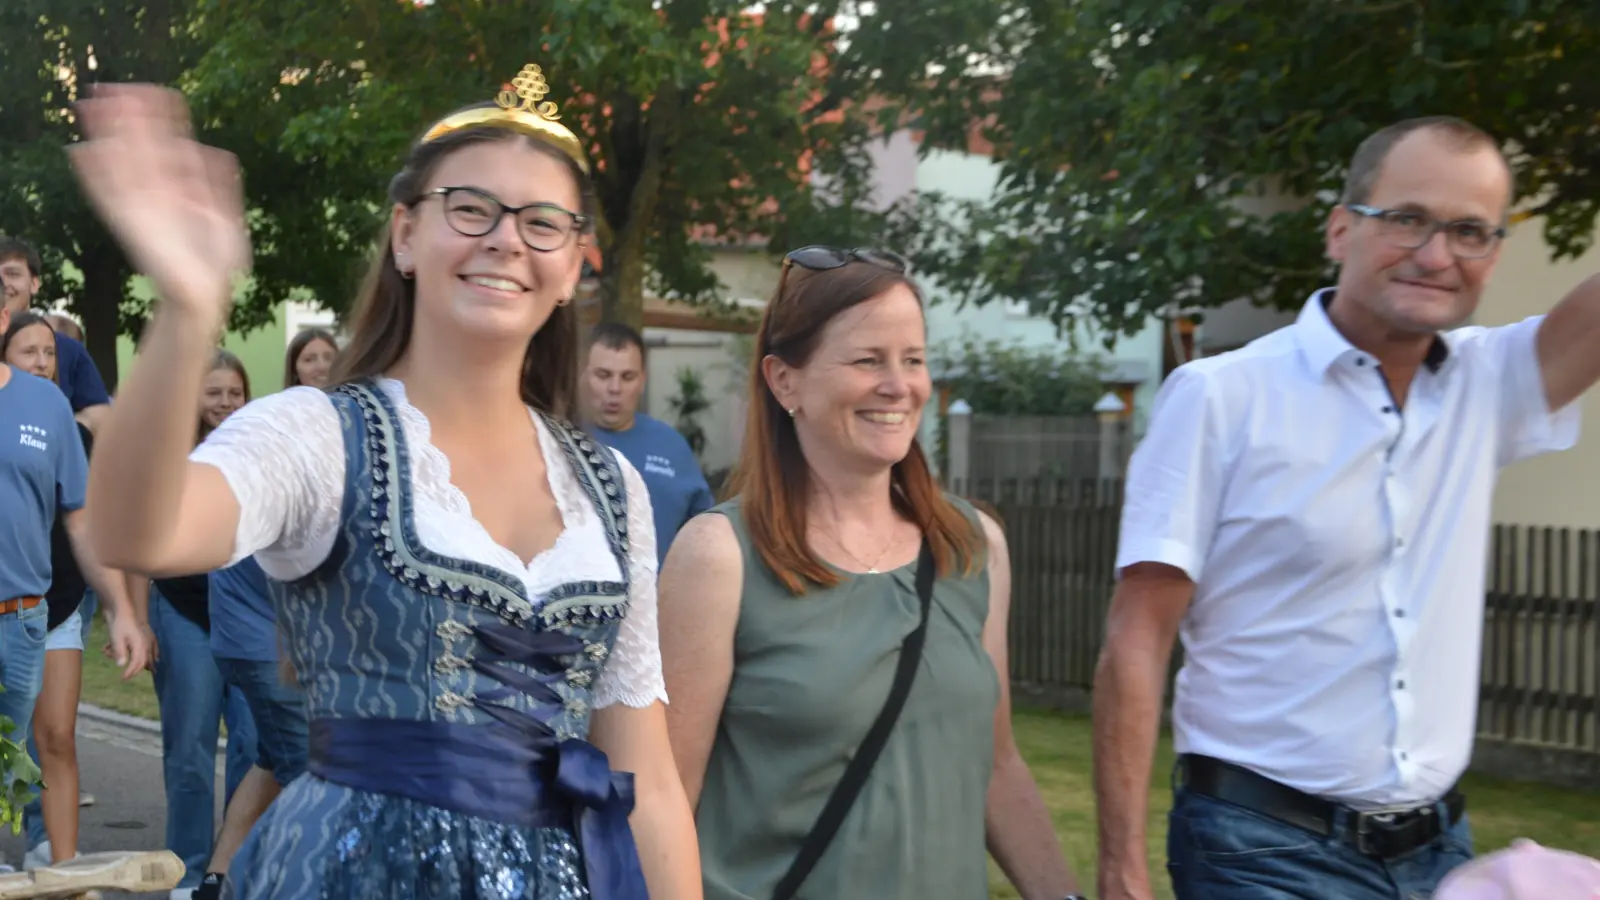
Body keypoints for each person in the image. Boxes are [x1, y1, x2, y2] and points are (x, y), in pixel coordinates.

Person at [71, 66, 701, 899]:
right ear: (406, 233)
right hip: (350, 874)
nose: (507, 239)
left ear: (574, 265)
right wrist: (188, 308)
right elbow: (137, 531)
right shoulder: (320, 434)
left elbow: (647, 786)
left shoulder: (613, 488)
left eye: (543, 222)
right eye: (471, 208)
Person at [1092, 116, 1600, 900]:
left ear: (1494, 254)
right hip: (1263, 851)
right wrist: (1122, 871)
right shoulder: (1222, 397)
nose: (1436, 255)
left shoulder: (1486, 385)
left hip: (1438, 849)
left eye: (1469, 231)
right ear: (1339, 230)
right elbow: (1139, 632)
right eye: (1407, 219)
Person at [659, 245, 1084, 900]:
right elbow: (663, 805)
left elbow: (996, 767)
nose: (900, 386)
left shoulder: (972, 548)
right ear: (784, 381)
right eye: (867, 360)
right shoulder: (719, 557)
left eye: (913, 360)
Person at [0, 307, 150, 874]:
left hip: (25, 616)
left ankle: (60, 871)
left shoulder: (48, 407)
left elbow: (81, 520)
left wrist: (120, 609)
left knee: (32, 749)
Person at [147, 349, 258, 900]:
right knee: (189, 750)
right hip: (184, 615)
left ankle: (232, 871)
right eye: (213, 392)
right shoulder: (170, 454)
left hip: (252, 621)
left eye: (234, 393)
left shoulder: (264, 451)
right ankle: (186, 873)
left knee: (256, 748)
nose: (225, 403)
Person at [580, 322, 714, 562]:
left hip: (659, 596)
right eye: (603, 375)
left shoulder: (671, 447)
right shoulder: (559, 441)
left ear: (643, 380)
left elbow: (704, 535)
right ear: (582, 375)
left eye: (627, 377)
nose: (615, 388)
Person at [0, 237, 112, 433]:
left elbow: (98, 413)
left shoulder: (68, 349)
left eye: (13, 274)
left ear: (34, 284)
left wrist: (52, 437)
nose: (3, 283)